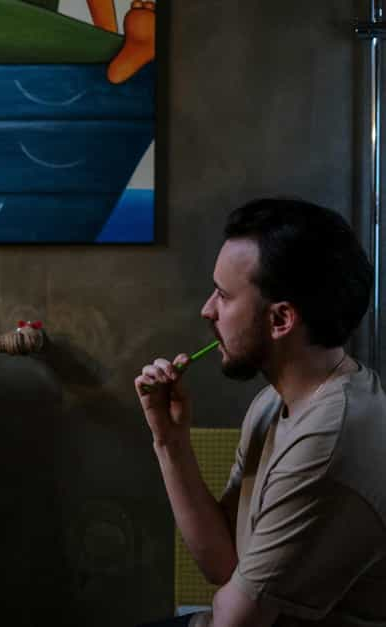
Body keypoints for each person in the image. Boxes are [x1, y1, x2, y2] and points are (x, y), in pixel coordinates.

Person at [135, 198, 386, 626]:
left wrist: (227, 598)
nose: (207, 309)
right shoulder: (274, 403)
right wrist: (169, 440)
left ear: (281, 319)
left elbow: (236, 620)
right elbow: (222, 564)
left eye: (224, 296)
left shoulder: (328, 438)